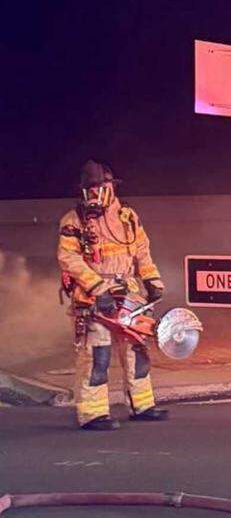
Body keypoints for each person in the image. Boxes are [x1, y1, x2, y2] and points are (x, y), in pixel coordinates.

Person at [58, 160, 169, 431]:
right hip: (94, 298)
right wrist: (98, 288)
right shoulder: (74, 220)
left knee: (137, 351)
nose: (93, 194)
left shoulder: (128, 216)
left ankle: (142, 406)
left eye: (98, 188)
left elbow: (142, 251)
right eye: (89, 189)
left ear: (111, 187)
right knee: (98, 356)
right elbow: (69, 258)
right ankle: (93, 414)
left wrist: (153, 280)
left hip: (130, 295)